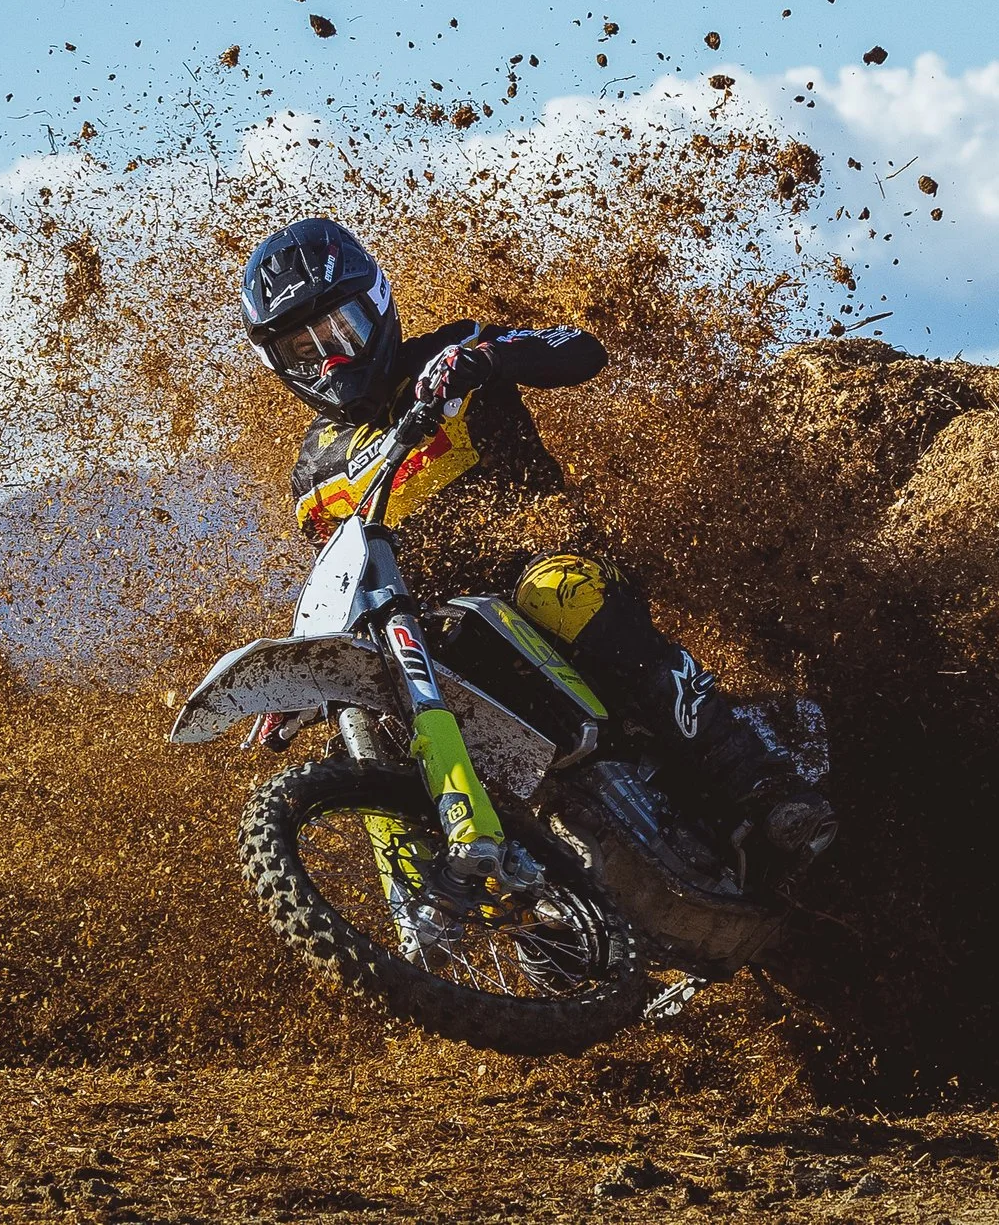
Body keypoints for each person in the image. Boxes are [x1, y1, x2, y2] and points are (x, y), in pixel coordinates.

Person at [238, 216, 836, 878]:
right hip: (436, 643)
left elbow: (579, 347)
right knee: (377, 714)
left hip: (542, 572)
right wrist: (306, 678)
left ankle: (764, 785)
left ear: (375, 305)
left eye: (340, 328)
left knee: (557, 592)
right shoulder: (310, 476)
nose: (331, 357)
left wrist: (488, 358)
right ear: (279, 364)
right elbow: (340, 582)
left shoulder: (448, 353)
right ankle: (527, 916)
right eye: (305, 348)